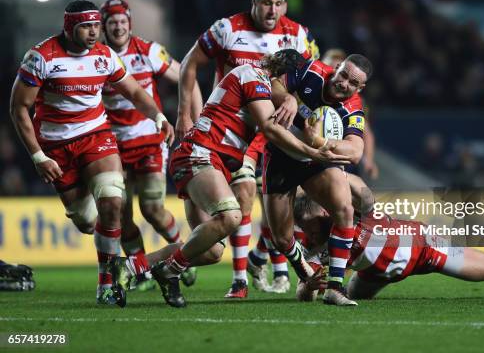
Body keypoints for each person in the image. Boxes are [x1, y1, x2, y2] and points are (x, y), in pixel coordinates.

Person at [125, 49, 350, 308]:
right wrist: (313, 152)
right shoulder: (252, 76)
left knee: (210, 250)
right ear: (286, 76)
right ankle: (171, 272)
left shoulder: (262, 83)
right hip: (200, 153)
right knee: (231, 216)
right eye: (295, 82)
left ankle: (128, 267)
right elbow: (270, 128)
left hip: (215, 162)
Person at [9, 0, 174, 306]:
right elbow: (18, 107)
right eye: (86, 26)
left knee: (113, 202)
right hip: (56, 147)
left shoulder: (104, 55)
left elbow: (136, 92)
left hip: (96, 136)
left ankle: (107, 283)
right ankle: (115, 252)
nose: (93, 32)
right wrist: (37, 156)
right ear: (69, 26)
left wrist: (159, 117)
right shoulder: (41, 57)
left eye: (96, 25)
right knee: (87, 221)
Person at [177, 0, 316, 297]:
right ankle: (240, 278)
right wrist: (185, 113)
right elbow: (189, 63)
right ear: (253, 3)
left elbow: (307, 81)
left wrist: (295, 99)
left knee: (280, 204)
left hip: (271, 128)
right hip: (232, 131)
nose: (272, 10)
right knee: (232, 206)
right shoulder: (227, 28)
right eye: (266, 3)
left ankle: (262, 265)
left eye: (278, 4)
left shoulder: (296, 33)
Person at [292, 179, 484, 302]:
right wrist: (308, 285)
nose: (312, 235)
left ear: (322, 211)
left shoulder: (350, 211)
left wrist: (333, 174)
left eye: (314, 226)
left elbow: (360, 188)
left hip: (424, 247)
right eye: (308, 230)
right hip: (376, 272)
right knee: (358, 295)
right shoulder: (315, 242)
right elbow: (303, 294)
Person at [100, 0, 202, 289]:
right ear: (105, 27)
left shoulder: (147, 51)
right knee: (120, 212)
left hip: (148, 142)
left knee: (152, 207)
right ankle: (139, 270)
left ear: (129, 24)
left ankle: (182, 253)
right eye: (112, 22)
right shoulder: (98, 57)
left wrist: (195, 119)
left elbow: (186, 74)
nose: (118, 27)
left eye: (122, 21)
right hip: (113, 147)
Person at [263, 53, 373, 306]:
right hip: (281, 156)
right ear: (336, 68)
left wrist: (319, 141)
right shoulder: (311, 71)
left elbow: (355, 151)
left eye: (353, 83)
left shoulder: (353, 107)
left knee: (344, 208)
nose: (345, 83)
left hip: (315, 160)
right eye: (343, 75)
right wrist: (287, 97)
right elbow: (272, 83)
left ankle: (335, 287)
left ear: (360, 88)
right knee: (281, 239)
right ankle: (306, 274)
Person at [322, 48, 378, 180]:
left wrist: (368, 160)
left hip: (339, 159)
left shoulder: (356, 104)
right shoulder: (310, 86)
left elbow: (366, 132)